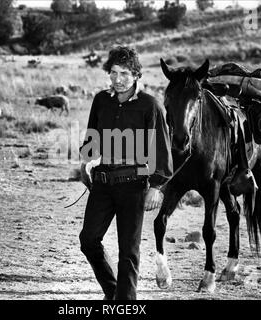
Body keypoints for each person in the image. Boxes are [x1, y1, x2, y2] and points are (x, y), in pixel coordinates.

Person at [78, 46, 173, 300]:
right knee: (88, 240)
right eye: (113, 73)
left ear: (137, 75)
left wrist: (156, 186)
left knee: (128, 251)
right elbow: (92, 138)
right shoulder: (101, 100)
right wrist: (85, 161)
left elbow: (161, 149)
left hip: (134, 185)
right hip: (103, 182)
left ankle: (125, 303)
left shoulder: (149, 105)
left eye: (125, 74)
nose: (118, 79)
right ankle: (113, 291)